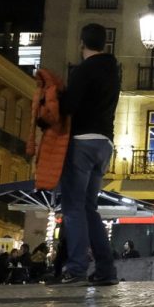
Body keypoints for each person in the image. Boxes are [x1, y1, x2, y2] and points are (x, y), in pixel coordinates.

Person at [53, 23, 123, 286]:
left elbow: (69, 106)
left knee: (72, 207)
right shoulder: (112, 72)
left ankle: (77, 269)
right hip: (104, 143)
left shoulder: (84, 70)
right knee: (89, 208)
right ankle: (106, 270)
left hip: (82, 141)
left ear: (81, 43)